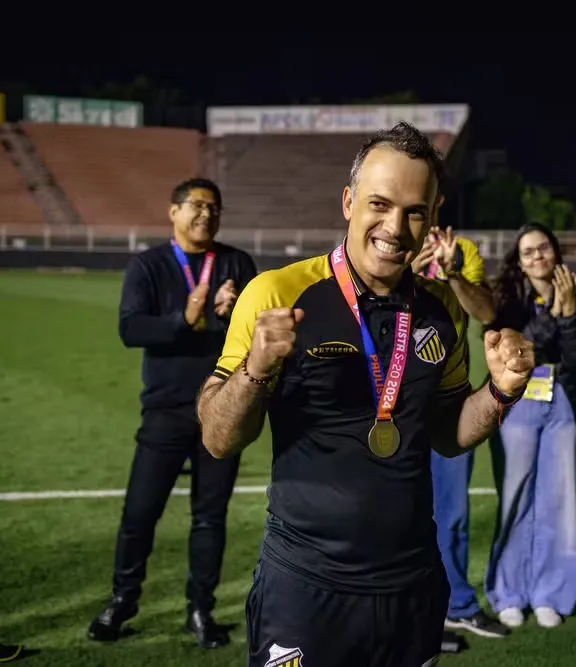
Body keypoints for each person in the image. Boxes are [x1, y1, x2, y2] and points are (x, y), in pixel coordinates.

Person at [196, 122, 536, 667]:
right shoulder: (277, 292)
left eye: (414, 212)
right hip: (307, 588)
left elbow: (447, 434)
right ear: (348, 202)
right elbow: (217, 437)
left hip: (411, 586)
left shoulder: (441, 309)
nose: (395, 228)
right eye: (380, 204)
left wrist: (500, 392)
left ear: (433, 217)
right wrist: (256, 369)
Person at [87, 177, 258, 648]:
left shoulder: (237, 263)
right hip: (165, 409)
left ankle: (200, 609)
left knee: (210, 517)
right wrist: (184, 318)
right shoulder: (147, 265)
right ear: (174, 212)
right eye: (197, 205)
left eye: (214, 207)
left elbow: (254, 331)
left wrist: (230, 312)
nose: (206, 214)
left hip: (221, 410)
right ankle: (123, 599)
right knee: (140, 513)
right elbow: (130, 328)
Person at [482, 222, 576, 630]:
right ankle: (508, 592)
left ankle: (550, 594)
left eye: (543, 248)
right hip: (516, 404)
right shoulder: (507, 302)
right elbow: (519, 350)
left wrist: (569, 312)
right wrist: (553, 314)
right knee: (515, 498)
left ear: (555, 252)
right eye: (528, 252)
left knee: (558, 502)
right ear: (519, 261)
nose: (537, 256)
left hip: (563, 402)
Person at [410, 224, 507, 638]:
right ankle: (403, 608)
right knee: (388, 509)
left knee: (451, 513)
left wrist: (452, 274)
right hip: (392, 400)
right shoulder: (385, 244)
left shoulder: (462, 249)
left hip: (449, 399)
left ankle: (457, 603)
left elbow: (486, 313)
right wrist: (407, 275)